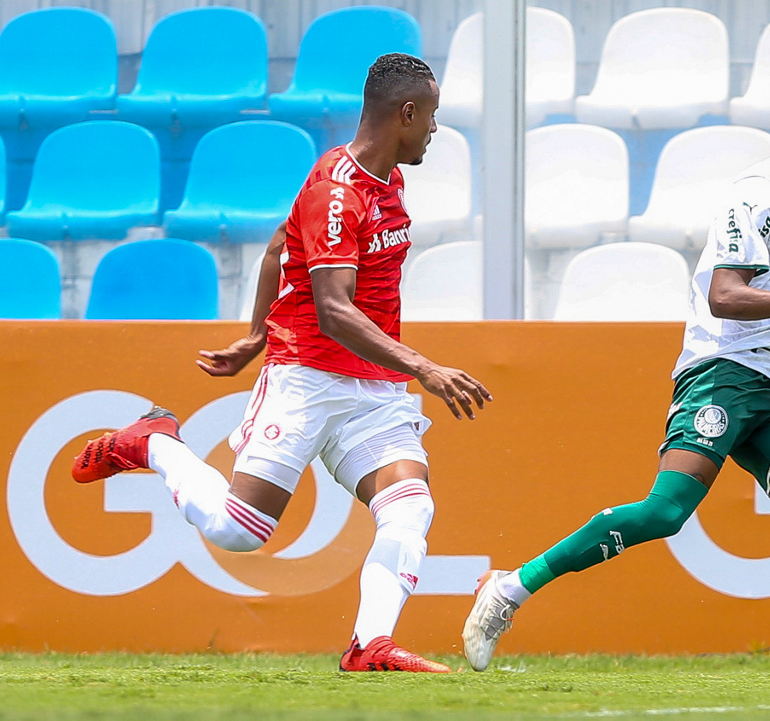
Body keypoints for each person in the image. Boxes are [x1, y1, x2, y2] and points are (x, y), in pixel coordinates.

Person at [462, 78, 770, 671]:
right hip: (723, 375)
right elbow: (725, 296)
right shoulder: (756, 198)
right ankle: (509, 588)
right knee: (665, 512)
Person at [71, 53, 492, 673]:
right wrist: (425, 368)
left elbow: (276, 247)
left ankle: (369, 644)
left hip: (373, 387)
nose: (434, 128)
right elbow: (333, 311)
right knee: (239, 530)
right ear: (406, 113)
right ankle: (154, 442)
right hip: (309, 375)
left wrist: (251, 334)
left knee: (410, 505)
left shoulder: (385, 181)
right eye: (430, 115)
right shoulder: (337, 193)